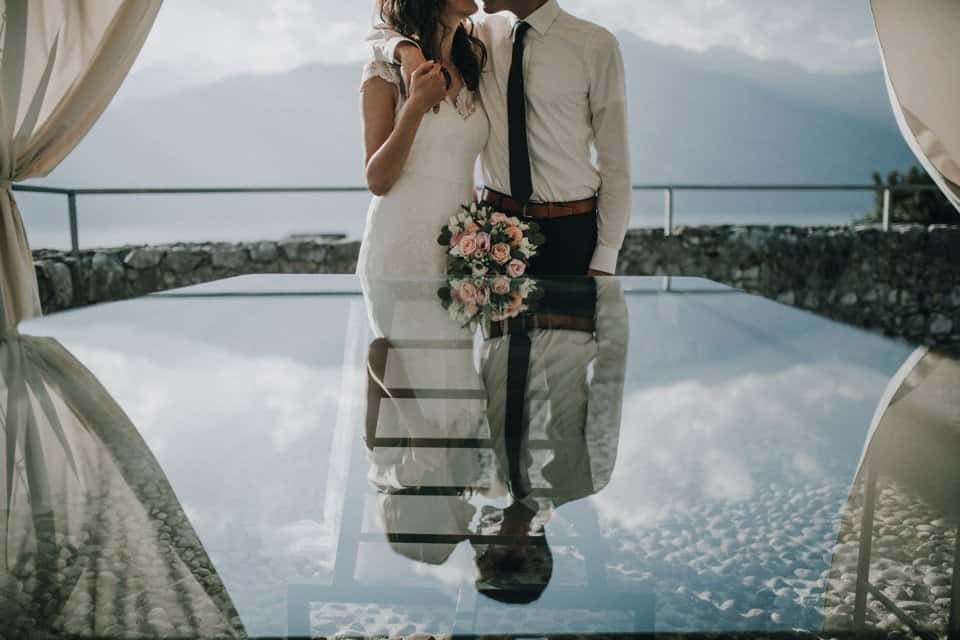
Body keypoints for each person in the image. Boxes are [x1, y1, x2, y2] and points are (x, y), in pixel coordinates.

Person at [367, 0, 632, 277]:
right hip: (493, 230)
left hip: (572, 229)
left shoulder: (595, 45)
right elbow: (381, 32)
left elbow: (616, 162)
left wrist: (606, 255)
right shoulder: (481, 37)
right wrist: (405, 50)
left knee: (573, 321)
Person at [357, 0, 490, 278]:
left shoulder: (472, 64)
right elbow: (377, 180)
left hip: (461, 246)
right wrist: (416, 105)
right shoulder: (385, 73)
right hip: (401, 244)